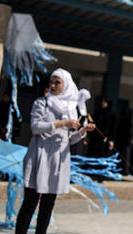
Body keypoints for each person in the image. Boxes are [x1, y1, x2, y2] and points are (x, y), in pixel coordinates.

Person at [15, 69, 95, 234]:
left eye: (57, 82)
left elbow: (68, 139)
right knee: (30, 201)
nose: (52, 85)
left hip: (57, 159)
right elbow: (35, 127)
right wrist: (62, 123)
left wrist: (82, 131)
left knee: (48, 204)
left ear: (66, 85)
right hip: (40, 155)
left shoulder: (71, 109)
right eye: (51, 82)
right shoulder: (41, 103)